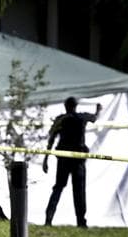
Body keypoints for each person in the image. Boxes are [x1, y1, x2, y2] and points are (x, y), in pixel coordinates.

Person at [42, 97, 102, 228]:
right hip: (78, 160)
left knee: (58, 188)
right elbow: (95, 118)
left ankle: (48, 219)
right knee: (79, 191)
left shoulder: (61, 119)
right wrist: (98, 110)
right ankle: (81, 222)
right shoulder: (81, 118)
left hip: (64, 159)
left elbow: (51, 138)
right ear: (76, 106)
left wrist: (46, 158)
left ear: (65, 106)